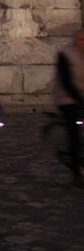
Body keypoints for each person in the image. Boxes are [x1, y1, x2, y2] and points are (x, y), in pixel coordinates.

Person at [54, 29, 84, 187]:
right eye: (81, 39)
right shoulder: (65, 54)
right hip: (66, 98)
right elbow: (66, 81)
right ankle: (75, 174)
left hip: (81, 95)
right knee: (74, 134)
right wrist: (78, 99)